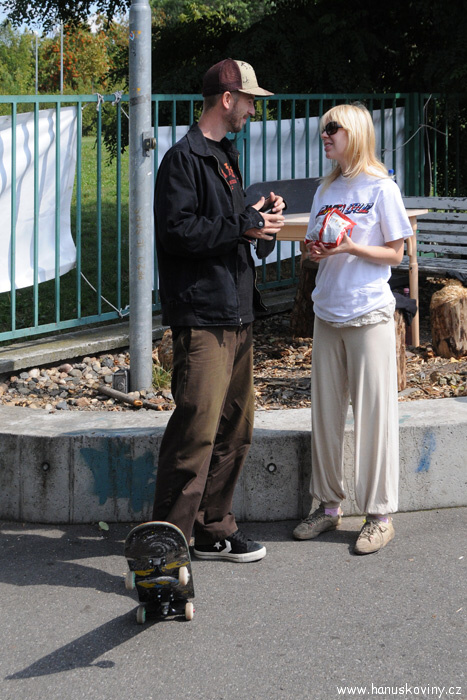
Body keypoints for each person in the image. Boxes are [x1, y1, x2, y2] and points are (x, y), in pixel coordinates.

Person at [152, 58, 285, 563]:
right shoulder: (182, 160)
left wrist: (261, 225)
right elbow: (179, 233)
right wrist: (242, 224)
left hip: (237, 312)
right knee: (196, 433)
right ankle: (164, 548)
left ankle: (212, 529)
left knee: (236, 428)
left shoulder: (227, 156)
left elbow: (231, 228)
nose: (252, 109)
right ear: (226, 99)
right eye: (249, 100)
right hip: (203, 317)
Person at [292, 102, 413, 554]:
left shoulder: (382, 188)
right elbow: (311, 248)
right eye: (324, 128)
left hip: (368, 315)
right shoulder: (326, 188)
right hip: (328, 312)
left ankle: (379, 516)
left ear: (356, 133)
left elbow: (396, 254)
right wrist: (314, 251)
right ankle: (327, 507)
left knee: (374, 420)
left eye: (333, 128)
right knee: (325, 418)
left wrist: (350, 248)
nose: (325, 135)